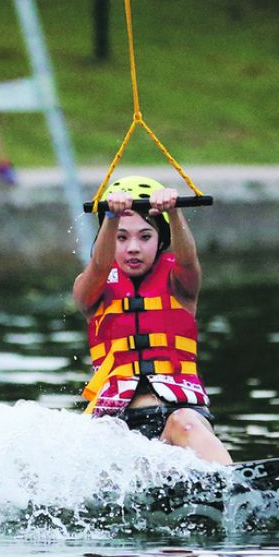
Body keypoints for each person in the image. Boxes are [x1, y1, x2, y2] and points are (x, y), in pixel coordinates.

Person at [72, 176, 233, 464]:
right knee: (97, 445)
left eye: (145, 236)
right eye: (122, 237)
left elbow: (188, 261)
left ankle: (234, 484)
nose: (133, 247)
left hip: (176, 414)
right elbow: (98, 264)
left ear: (161, 240)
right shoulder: (91, 288)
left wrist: (173, 211)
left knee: (185, 422)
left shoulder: (179, 284)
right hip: (116, 423)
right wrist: (110, 215)